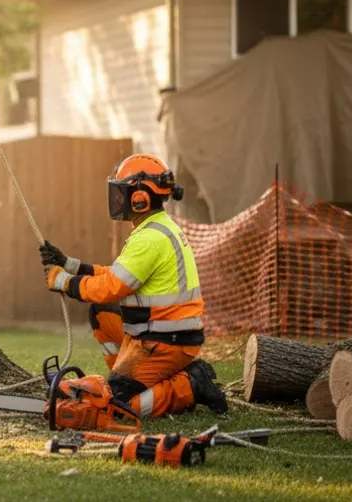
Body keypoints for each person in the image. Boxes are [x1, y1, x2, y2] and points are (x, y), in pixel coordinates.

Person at [39, 154, 227, 418]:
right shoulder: (155, 229)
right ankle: (123, 379)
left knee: (117, 409)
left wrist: (63, 282)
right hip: (154, 337)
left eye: (121, 191)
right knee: (101, 311)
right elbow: (117, 276)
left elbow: (111, 287)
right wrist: (69, 265)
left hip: (164, 342)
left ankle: (191, 384)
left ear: (140, 198)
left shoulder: (149, 238)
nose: (117, 198)